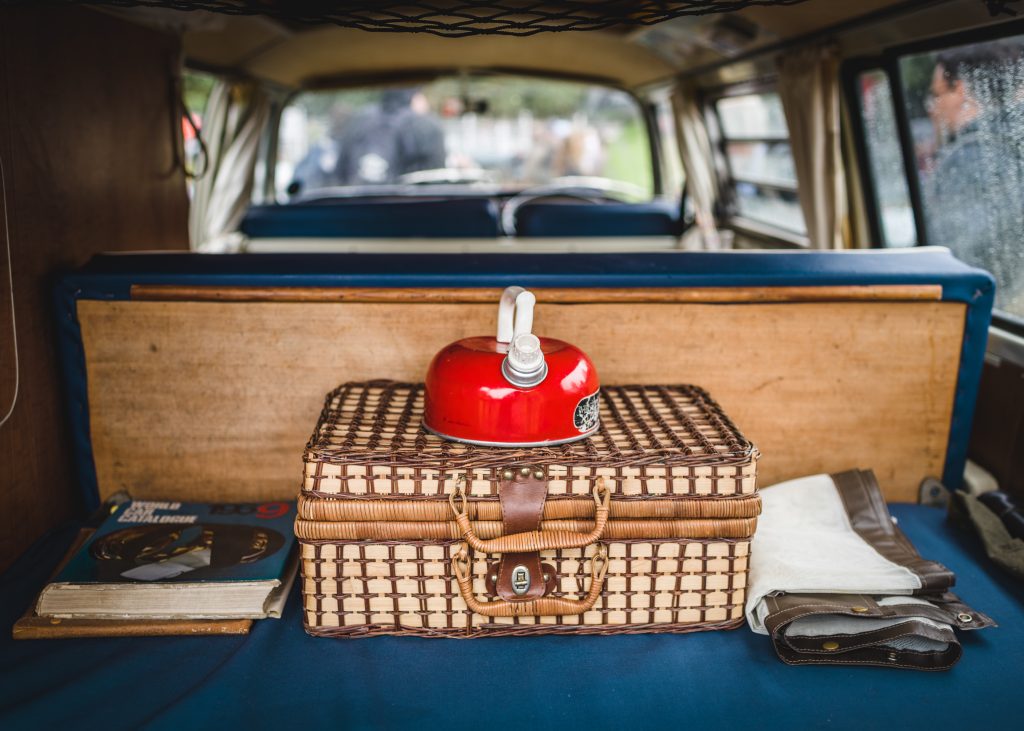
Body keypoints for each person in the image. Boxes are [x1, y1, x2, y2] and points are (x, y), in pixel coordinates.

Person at [923, 41, 1024, 312]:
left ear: (960, 90)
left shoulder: (969, 161)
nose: (932, 109)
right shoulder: (1012, 143)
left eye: (936, 95)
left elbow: (955, 267)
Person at [333, 88, 446, 186]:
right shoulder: (425, 126)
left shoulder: (358, 120)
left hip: (354, 205)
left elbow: (339, 174)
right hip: (406, 207)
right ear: (415, 96)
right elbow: (435, 181)